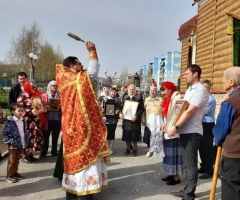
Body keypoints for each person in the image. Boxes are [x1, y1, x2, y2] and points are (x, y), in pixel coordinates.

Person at [56, 41, 109, 200]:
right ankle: (85, 193)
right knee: (85, 156)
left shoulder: (63, 78)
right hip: (80, 124)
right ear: (73, 66)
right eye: (79, 64)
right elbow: (92, 73)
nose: (82, 66)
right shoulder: (76, 78)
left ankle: (72, 193)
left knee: (72, 159)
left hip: (69, 126)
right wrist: (92, 51)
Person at [166, 64, 209, 200]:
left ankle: (189, 194)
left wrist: (175, 127)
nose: (184, 76)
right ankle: (186, 190)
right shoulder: (190, 89)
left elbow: (190, 111)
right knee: (186, 162)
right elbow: (180, 110)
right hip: (186, 131)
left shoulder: (200, 90)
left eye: (186, 74)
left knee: (190, 163)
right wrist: (168, 124)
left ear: (195, 74)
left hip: (192, 132)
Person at [213, 67, 240, 200]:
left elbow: (220, 132)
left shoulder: (230, 103)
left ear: (231, 82)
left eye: (223, 78)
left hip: (234, 157)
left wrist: (217, 140)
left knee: (231, 192)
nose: (221, 81)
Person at [160, 81, 184, 186]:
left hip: (174, 131)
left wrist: (169, 127)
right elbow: (168, 115)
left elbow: (177, 115)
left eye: (163, 90)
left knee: (174, 154)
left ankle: (176, 177)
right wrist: (165, 124)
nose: (162, 93)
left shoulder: (177, 98)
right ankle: (171, 173)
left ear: (170, 89)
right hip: (168, 129)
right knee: (169, 154)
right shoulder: (168, 99)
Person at [17, 79, 45, 163]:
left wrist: (43, 109)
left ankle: (31, 155)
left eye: (35, 86)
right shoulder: (22, 97)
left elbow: (39, 106)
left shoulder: (35, 95)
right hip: (27, 123)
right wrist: (30, 111)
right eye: (33, 87)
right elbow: (19, 109)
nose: (35, 88)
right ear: (27, 87)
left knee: (35, 138)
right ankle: (25, 155)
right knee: (28, 139)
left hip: (35, 121)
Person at [2, 103, 29, 183]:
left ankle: (14, 172)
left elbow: (24, 132)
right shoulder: (10, 122)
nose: (21, 112)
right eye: (19, 111)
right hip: (12, 145)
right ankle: (9, 175)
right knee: (11, 160)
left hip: (20, 143)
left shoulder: (23, 120)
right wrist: (11, 141)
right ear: (13, 112)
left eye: (22, 110)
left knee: (17, 159)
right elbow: (4, 135)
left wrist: (25, 140)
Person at [198, 80, 216, 179]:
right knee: (201, 147)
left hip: (208, 125)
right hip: (202, 124)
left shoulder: (210, 100)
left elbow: (202, 112)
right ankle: (203, 166)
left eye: (204, 88)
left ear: (209, 89)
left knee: (208, 148)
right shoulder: (203, 98)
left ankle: (209, 171)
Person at [120, 84, 144, 157]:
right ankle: (128, 149)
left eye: (133, 89)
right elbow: (121, 107)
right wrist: (120, 113)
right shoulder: (124, 97)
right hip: (126, 120)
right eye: (130, 89)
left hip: (135, 121)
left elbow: (142, 109)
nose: (131, 91)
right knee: (127, 136)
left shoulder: (139, 98)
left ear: (135, 90)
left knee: (134, 137)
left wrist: (136, 116)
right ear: (128, 90)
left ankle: (135, 150)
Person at [40, 80, 61, 158]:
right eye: (53, 86)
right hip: (47, 119)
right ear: (50, 86)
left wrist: (60, 107)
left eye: (56, 86)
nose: (55, 87)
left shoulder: (60, 96)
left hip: (57, 119)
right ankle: (44, 152)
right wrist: (45, 107)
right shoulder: (44, 96)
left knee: (55, 137)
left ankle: (54, 152)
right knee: (45, 137)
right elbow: (40, 106)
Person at [142, 86, 162, 157]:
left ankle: (155, 149)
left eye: (154, 90)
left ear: (156, 91)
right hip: (149, 122)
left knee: (157, 136)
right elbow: (143, 111)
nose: (152, 92)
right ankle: (150, 149)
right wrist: (143, 120)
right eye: (151, 90)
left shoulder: (160, 99)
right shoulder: (146, 100)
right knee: (149, 136)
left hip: (157, 122)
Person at [101, 87, 121, 155]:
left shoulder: (118, 99)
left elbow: (119, 107)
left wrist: (118, 111)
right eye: (112, 92)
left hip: (113, 120)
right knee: (106, 134)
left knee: (112, 134)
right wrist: (102, 110)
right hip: (106, 120)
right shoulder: (105, 98)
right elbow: (102, 107)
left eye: (115, 92)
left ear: (116, 93)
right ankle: (106, 148)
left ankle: (110, 148)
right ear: (110, 92)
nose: (113, 93)